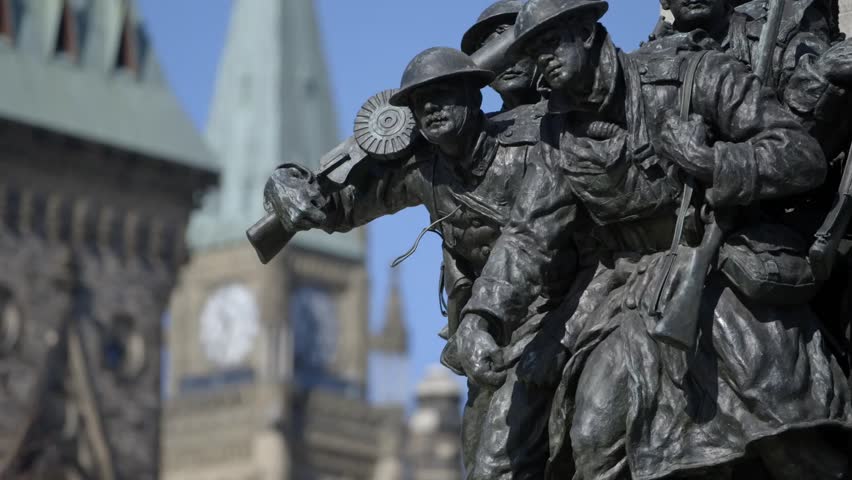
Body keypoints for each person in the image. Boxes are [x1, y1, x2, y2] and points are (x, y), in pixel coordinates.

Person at [459, 0, 852, 478]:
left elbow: (800, 156)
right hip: (629, 293)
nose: (544, 60)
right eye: (534, 52)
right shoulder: (558, 130)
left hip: (720, 271)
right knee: (594, 437)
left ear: (587, 33)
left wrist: (714, 164)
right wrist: (483, 316)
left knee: (787, 438)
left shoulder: (693, 73)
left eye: (551, 44)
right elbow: (528, 234)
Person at [263, 47, 572, 480]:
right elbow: (336, 205)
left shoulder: (535, 144)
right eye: (419, 102)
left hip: (556, 313)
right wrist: (284, 181)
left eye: (442, 95)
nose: (430, 108)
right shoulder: (423, 170)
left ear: (474, 97)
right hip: (489, 338)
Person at [461, 0, 543, 113]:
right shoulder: (483, 124)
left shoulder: (567, 113)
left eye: (516, 51)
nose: (508, 65)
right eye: (493, 56)